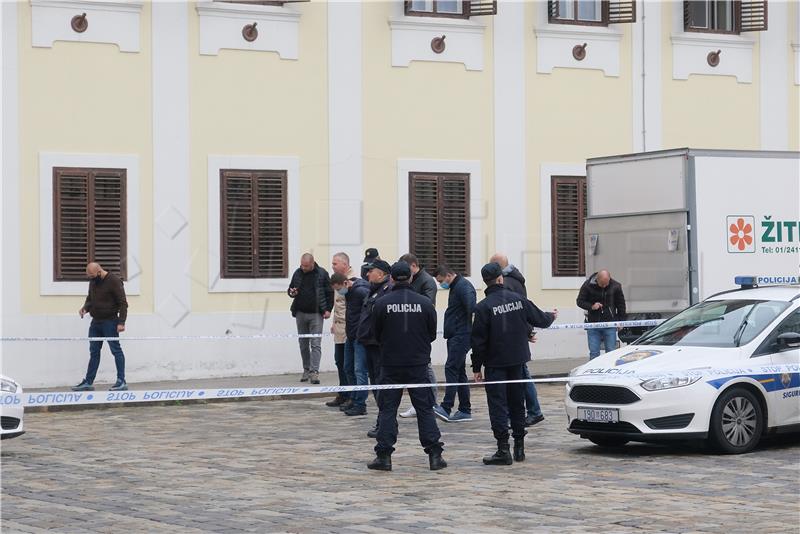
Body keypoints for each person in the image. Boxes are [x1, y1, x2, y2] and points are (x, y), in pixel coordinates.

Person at [471, 262, 557, 465]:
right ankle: (519, 448)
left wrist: (476, 367)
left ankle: (503, 450)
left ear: (486, 282)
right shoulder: (518, 299)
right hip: (517, 361)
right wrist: (552, 316)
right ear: (500, 278)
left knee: (498, 406)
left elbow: (478, 341)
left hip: (495, 364)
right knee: (518, 403)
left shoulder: (483, 307)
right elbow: (540, 319)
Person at [367, 261, 446, 471]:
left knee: (387, 410)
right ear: (410, 278)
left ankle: (384, 456)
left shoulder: (382, 304)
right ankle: (435, 455)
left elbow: (376, 334)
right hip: (418, 363)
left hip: (390, 363)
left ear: (391, 278)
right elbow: (431, 334)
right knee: (425, 409)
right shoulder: (425, 303)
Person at [489, 253, 545, 427]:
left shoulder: (508, 283)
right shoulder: (515, 280)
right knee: (523, 375)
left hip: (511, 337)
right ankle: (533, 411)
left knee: (521, 376)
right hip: (516, 336)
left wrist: (527, 331)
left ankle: (532, 411)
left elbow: (518, 309)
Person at [71, 262, 129, 392]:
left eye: (92, 276)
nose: (91, 279)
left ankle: (121, 380)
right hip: (96, 322)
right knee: (94, 352)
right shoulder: (93, 281)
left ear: (99, 272)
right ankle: (88, 382)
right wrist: (85, 308)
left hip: (110, 321)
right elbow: (90, 298)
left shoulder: (114, 281)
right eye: (89, 277)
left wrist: (121, 322)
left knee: (116, 350)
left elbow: (123, 303)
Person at [397, 253, 439, 419]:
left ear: (414, 266)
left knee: (426, 368)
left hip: (420, 330)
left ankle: (432, 401)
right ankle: (420, 403)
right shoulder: (411, 279)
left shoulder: (427, 281)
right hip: (407, 330)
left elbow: (427, 305)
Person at [433, 264, 476, 423]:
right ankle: (465, 409)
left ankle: (446, 407)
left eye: (441, 280)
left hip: (461, 334)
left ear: (449, 275)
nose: (440, 284)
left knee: (451, 368)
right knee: (459, 372)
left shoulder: (463, 287)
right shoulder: (457, 286)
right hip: (456, 334)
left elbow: (472, 309)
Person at [354, 259, 393, 433]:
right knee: (375, 384)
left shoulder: (386, 291)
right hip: (368, 343)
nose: (368, 274)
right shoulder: (373, 290)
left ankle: (384, 424)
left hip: (378, 346)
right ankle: (383, 422)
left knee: (380, 386)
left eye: (372, 271)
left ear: (382, 274)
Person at [288, 253, 334, 384]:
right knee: (303, 344)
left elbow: (330, 292)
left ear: (312, 264)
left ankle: (314, 372)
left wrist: (328, 310)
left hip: (316, 314)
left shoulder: (322, 273)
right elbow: (290, 289)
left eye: (306, 266)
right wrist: (292, 292)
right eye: (302, 265)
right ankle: (306, 369)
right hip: (300, 312)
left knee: (315, 343)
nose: (303, 268)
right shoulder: (297, 272)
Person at [341, 265, 371, 416]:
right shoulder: (349, 292)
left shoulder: (360, 291)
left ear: (346, 283)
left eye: (339, 288)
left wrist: (360, 332)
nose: (339, 292)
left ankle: (360, 403)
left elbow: (367, 313)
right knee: (348, 368)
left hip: (359, 337)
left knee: (360, 371)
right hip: (351, 336)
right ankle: (353, 398)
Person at [576, 269, 626, 360]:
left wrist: (621, 321)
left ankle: (610, 371)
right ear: (597, 280)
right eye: (602, 284)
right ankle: (594, 372)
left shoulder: (616, 286)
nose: (604, 286)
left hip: (610, 324)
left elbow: (621, 305)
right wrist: (591, 306)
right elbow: (579, 301)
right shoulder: (587, 285)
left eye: (606, 284)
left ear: (609, 279)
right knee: (594, 353)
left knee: (611, 352)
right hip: (593, 324)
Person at [327, 272, 350, 407]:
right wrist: (334, 323)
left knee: (348, 366)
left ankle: (350, 396)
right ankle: (343, 394)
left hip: (347, 330)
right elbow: (338, 308)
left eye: (336, 263)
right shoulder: (337, 281)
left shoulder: (349, 283)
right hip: (339, 330)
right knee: (340, 362)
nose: (333, 266)